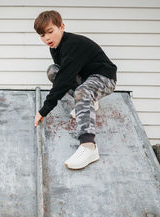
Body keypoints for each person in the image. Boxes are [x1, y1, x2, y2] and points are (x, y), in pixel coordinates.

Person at [33, 10, 117, 170]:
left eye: (50, 32)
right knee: (53, 71)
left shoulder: (71, 44)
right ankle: (91, 101)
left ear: (62, 27)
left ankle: (89, 146)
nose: (47, 38)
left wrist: (44, 110)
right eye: (42, 35)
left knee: (81, 91)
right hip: (87, 79)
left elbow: (65, 79)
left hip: (105, 78)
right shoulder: (55, 48)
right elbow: (63, 75)